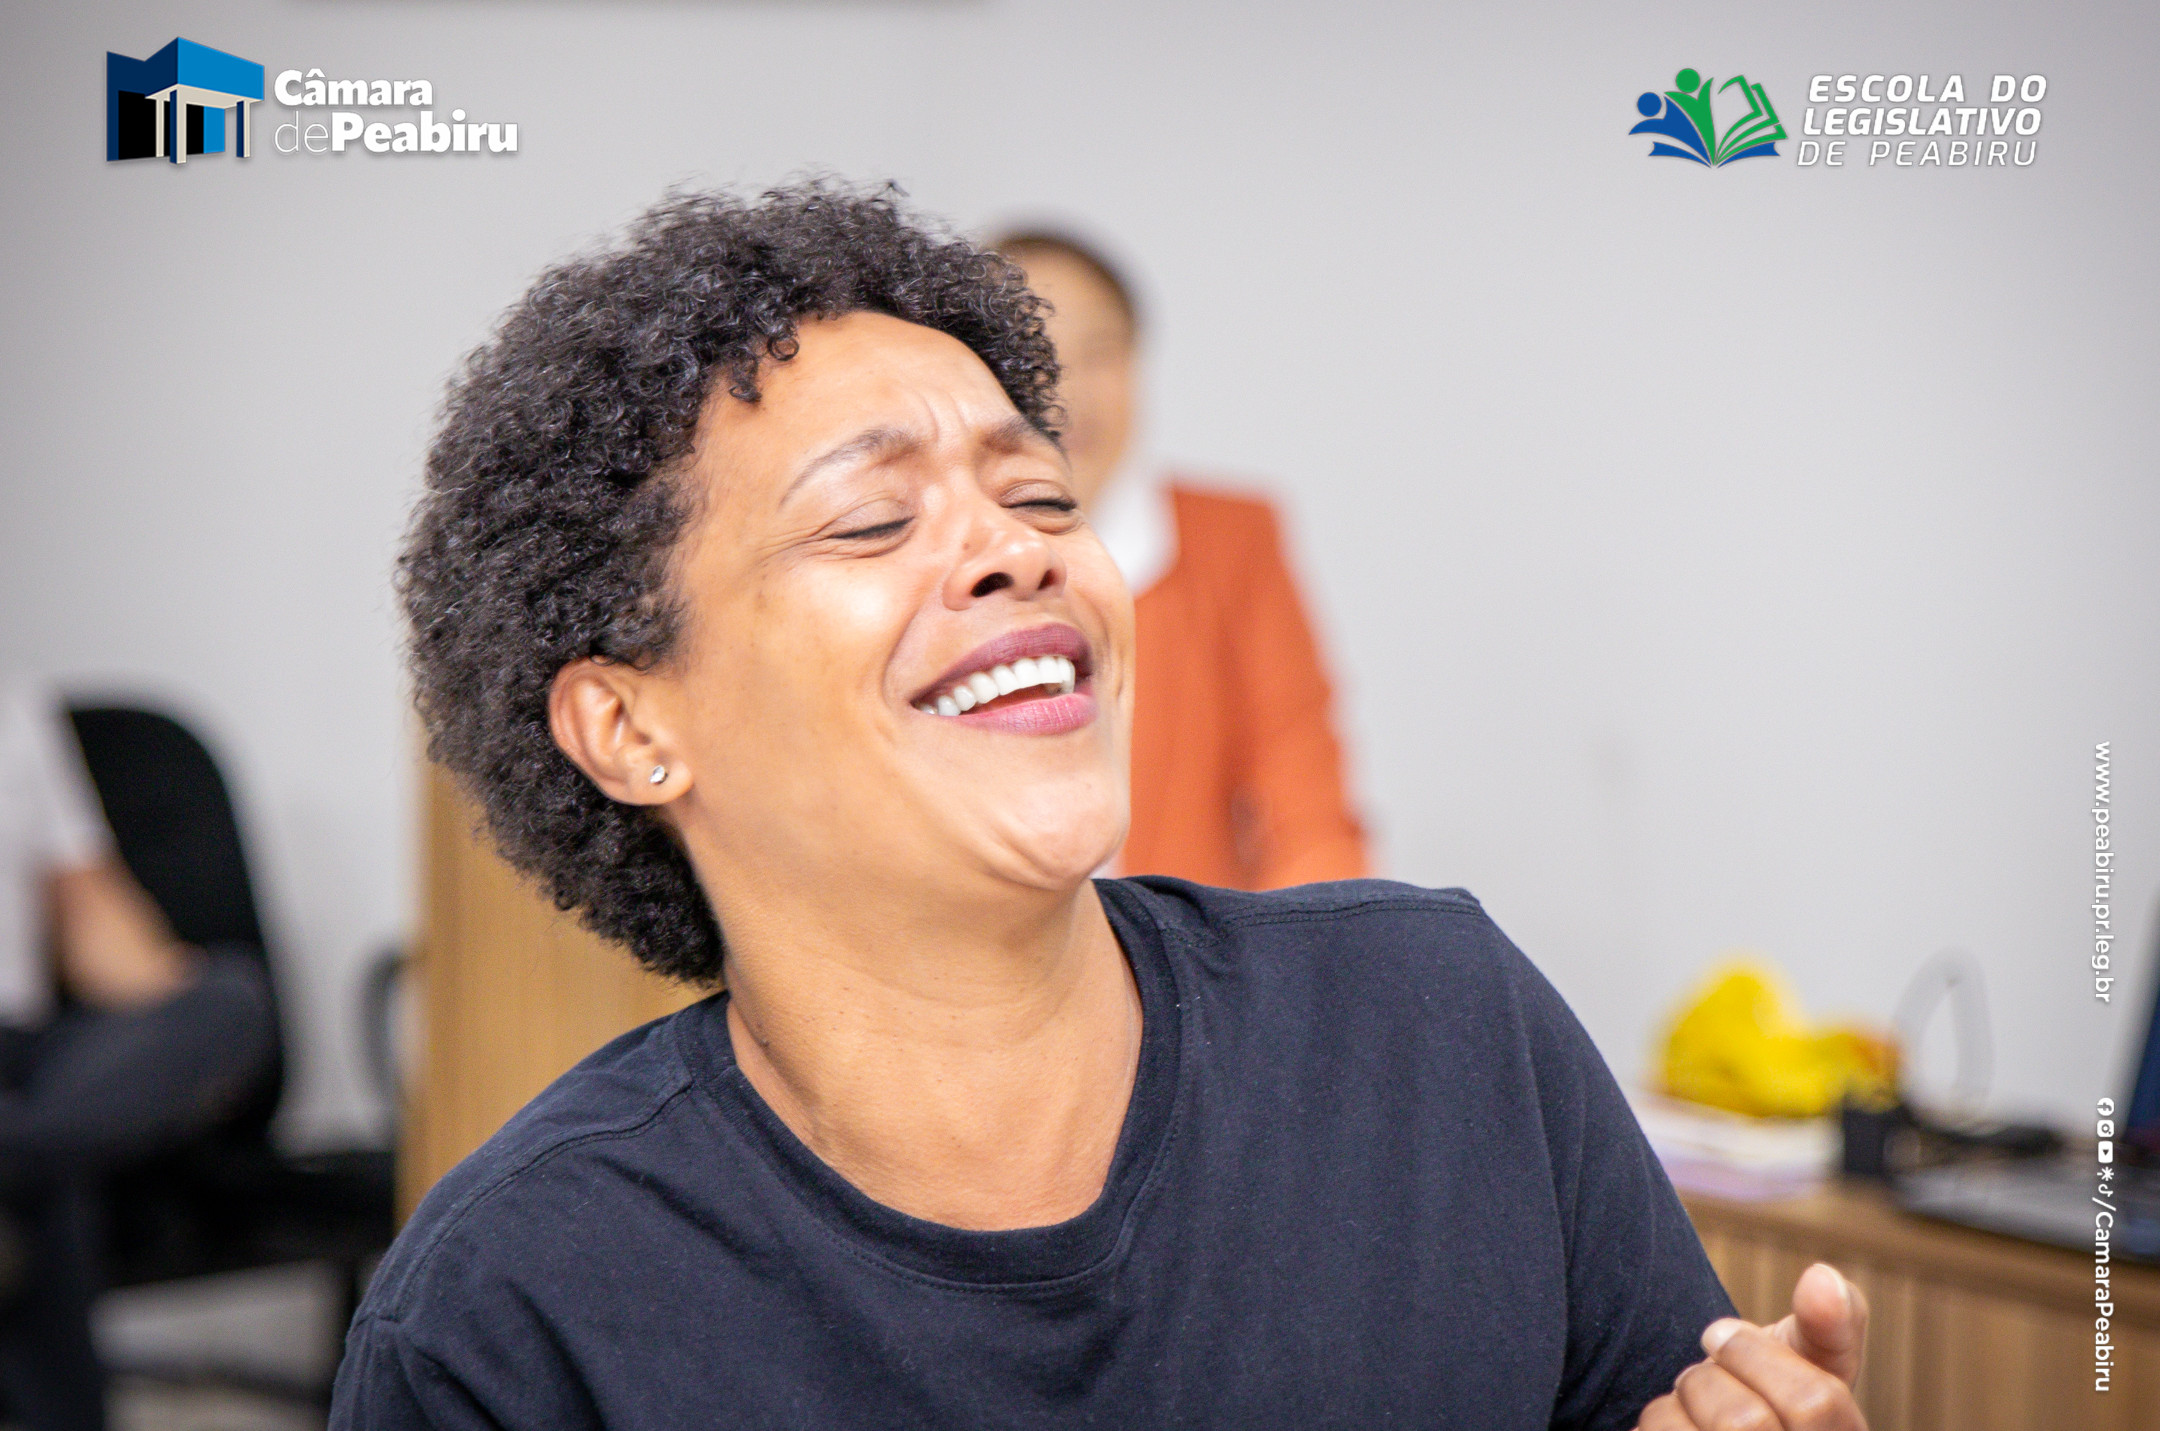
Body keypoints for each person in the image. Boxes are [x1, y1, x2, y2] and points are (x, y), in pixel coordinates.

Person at [336, 183, 1871, 1430]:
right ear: (629, 727)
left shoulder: (1446, 1033)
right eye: (870, 519)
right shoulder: (512, 1318)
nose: (1021, 549)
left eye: (1042, 495)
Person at [993, 230, 1367, 890]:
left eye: (1099, 352)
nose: (1065, 391)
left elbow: (1307, 811)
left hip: (1183, 949)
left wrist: (1321, 941)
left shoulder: (1229, 541)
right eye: (1029, 353)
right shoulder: (930, 562)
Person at [0, 686, 277, 1431]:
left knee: (229, 997)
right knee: (45, 1187)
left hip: (30, 1064)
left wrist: (180, 1015)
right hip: (40, 1119)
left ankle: (15, 1152)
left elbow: (92, 917)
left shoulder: (13, 705)